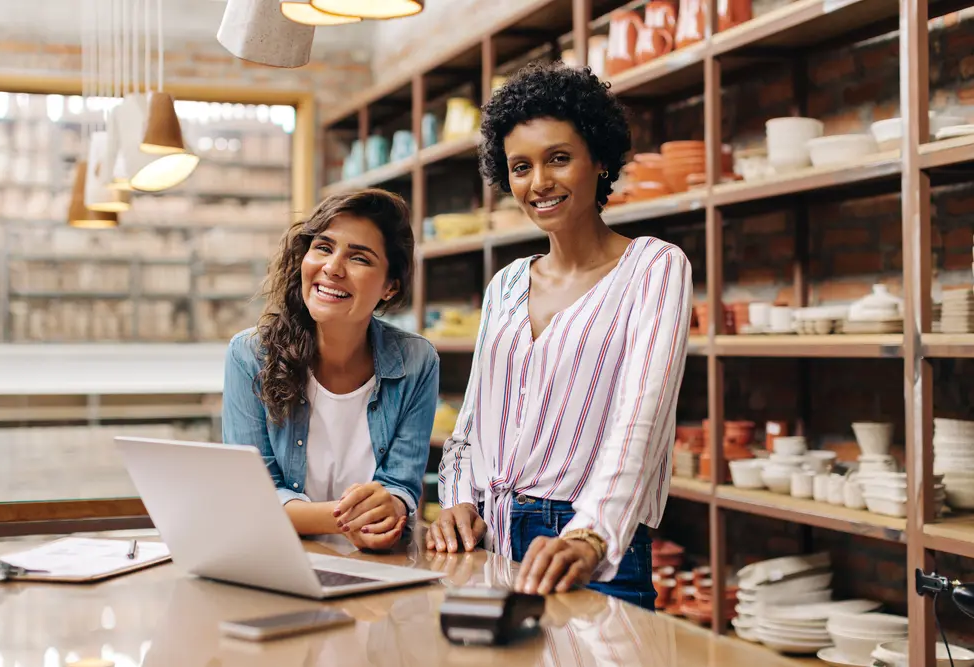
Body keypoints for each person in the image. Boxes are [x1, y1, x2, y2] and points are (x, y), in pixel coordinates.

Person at [427, 62, 693, 609]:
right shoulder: (505, 284)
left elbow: (641, 418)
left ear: (598, 161)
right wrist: (454, 501)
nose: (538, 182)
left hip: (587, 544)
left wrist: (591, 533)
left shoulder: (655, 267)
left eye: (558, 158)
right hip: (489, 539)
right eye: (520, 167)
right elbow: (472, 422)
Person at [223, 188, 439, 552]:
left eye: (360, 258)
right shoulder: (250, 355)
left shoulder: (417, 361)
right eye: (323, 247)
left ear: (390, 287)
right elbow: (253, 497)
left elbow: (401, 486)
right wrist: (349, 519)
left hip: (381, 569)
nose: (333, 268)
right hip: (281, 561)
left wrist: (392, 505)